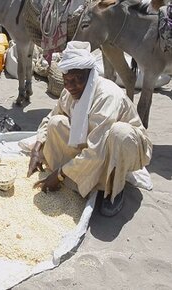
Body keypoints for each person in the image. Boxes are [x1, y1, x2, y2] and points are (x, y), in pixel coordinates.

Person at [28, 41, 152, 217]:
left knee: (119, 133)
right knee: (56, 122)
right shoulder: (69, 91)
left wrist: (59, 175)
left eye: (77, 80)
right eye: (67, 81)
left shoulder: (106, 95)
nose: (71, 86)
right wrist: (37, 147)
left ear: (89, 75)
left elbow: (95, 149)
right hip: (94, 143)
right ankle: (75, 176)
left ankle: (114, 190)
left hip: (123, 148)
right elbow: (49, 118)